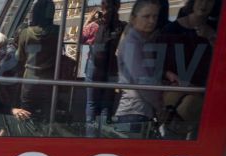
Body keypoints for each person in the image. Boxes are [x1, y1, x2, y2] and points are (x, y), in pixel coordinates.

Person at [158, 0, 218, 138]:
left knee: (192, 105)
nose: (204, 5)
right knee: (187, 105)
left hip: (205, 93)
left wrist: (213, 38)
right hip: (176, 90)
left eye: (209, 1)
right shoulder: (171, 30)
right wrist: (168, 74)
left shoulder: (217, 30)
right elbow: (158, 64)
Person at [115, 0, 164, 136]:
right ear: (133, 18)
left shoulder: (141, 42)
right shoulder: (132, 43)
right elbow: (143, 81)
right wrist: (160, 107)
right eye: (146, 16)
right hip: (133, 113)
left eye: (155, 17)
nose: (151, 21)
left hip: (137, 112)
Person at [83, 0, 125, 136]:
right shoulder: (123, 27)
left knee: (91, 104)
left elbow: (81, 38)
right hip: (112, 69)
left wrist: (89, 19)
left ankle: (91, 137)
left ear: (103, 7)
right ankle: (104, 137)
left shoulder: (95, 26)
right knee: (106, 105)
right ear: (118, 7)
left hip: (94, 69)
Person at [16, 0, 60, 121]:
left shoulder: (25, 33)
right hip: (49, 78)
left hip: (30, 78)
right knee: (48, 112)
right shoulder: (57, 31)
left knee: (26, 112)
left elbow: (20, 57)